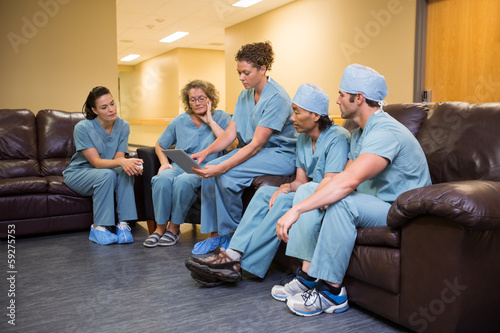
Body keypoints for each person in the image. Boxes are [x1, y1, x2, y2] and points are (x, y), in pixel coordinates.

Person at [271, 64, 432, 316]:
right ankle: (307, 277)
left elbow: (348, 184)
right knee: (309, 190)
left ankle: (332, 293)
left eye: (341, 95)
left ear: (358, 99)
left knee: (341, 201)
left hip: (400, 211)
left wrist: (297, 211)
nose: (336, 101)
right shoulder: (359, 134)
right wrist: (311, 195)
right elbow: (342, 177)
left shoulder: (385, 131)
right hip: (374, 203)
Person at [185, 83, 351, 285]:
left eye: (297, 112)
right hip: (306, 191)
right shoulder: (303, 139)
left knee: (281, 203)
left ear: (316, 116)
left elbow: (330, 185)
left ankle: (241, 266)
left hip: (325, 197)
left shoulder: (338, 138)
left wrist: (290, 197)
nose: (291, 118)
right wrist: (285, 187)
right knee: (265, 194)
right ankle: (232, 254)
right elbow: (300, 181)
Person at [189, 41, 297, 255]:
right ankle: (215, 234)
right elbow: (231, 133)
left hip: (280, 154)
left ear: (263, 69)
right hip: (256, 150)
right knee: (209, 170)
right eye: (239, 72)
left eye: (246, 73)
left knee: (225, 176)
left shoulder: (277, 97)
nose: (241, 78)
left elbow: (256, 144)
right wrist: (206, 152)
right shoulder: (244, 95)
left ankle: (233, 236)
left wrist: (222, 167)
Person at [142, 80, 233, 248]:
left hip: (206, 168)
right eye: (192, 99)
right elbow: (160, 144)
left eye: (201, 98)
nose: (197, 103)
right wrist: (163, 163)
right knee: (161, 179)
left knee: (184, 181)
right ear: (187, 101)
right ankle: (159, 229)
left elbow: (231, 145)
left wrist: (211, 122)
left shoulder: (222, 117)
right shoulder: (180, 121)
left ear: (210, 98)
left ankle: (174, 228)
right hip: (180, 165)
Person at [63, 86, 143, 245]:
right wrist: (121, 162)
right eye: (104, 107)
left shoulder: (123, 126)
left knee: (125, 171)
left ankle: (123, 224)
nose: (111, 110)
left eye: (112, 104)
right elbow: (96, 163)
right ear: (94, 110)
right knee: (108, 173)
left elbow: (119, 159)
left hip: (108, 171)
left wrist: (127, 164)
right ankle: (98, 228)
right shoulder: (82, 128)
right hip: (80, 173)